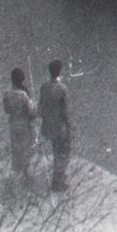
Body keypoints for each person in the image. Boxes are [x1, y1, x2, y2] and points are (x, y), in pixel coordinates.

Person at [38, 59, 72, 193]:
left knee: (55, 151)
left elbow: (41, 107)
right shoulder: (62, 89)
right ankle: (58, 181)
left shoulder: (44, 87)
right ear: (60, 72)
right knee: (62, 153)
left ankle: (55, 179)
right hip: (60, 126)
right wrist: (69, 125)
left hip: (48, 125)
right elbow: (65, 110)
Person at [1, 67, 37, 180]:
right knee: (25, 149)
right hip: (24, 124)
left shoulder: (6, 94)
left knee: (15, 149)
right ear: (22, 80)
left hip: (13, 124)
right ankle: (26, 175)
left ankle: (16, 174)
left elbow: (6, 110)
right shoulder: (24, 95)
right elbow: (31, 112)